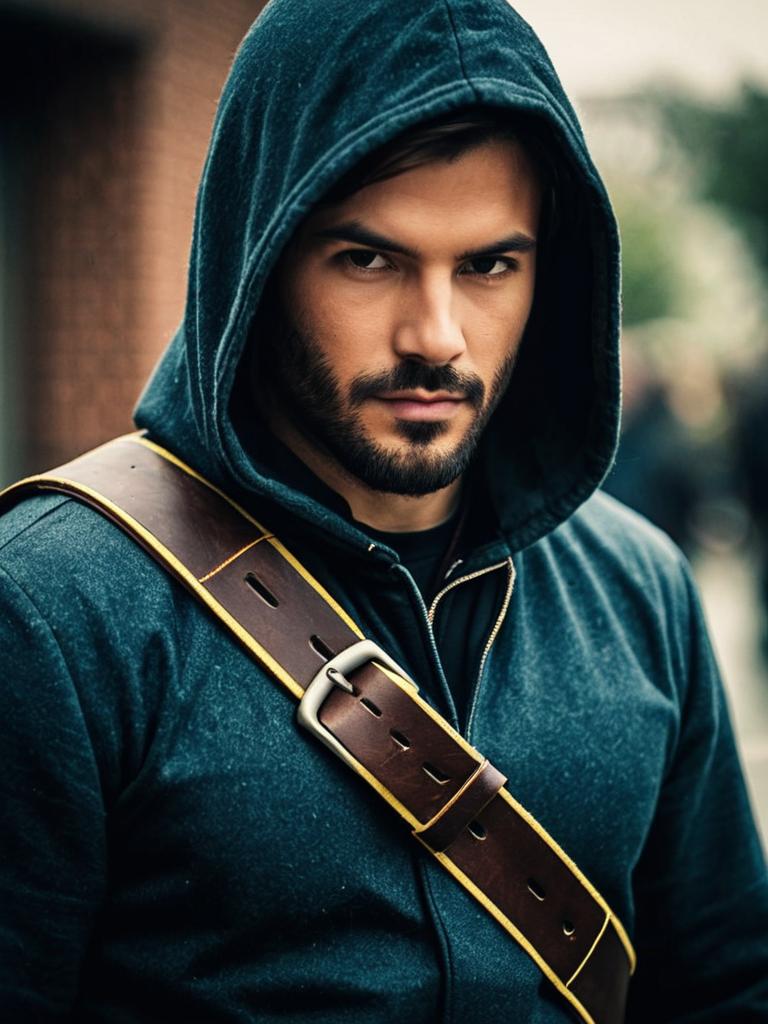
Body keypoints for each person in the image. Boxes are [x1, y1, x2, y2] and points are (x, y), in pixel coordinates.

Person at [1, 1, 766, 1021]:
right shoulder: (50, 610)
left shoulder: (638, 592)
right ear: (259, 262)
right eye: (370, 259)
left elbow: (723, 987)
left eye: (490, 264)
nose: (437, 335)